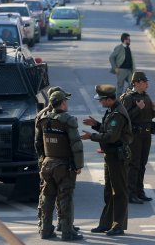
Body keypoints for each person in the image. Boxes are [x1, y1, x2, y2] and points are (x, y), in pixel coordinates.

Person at [81, 84, 133, 236]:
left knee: (119, 192)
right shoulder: (112, 110)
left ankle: (118, 225)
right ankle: (106, 223)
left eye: (102, 100)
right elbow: (107, 129)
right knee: (109, 192)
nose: (100, 103)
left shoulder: (118, 114)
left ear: (109, 99)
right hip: (111, 156)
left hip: (118, 157)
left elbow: (111, 136)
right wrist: (96, 125)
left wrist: (92, 136)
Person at [35, 90, 84, 241]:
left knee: (47, 198)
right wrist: (78, 165)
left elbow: (38, 143)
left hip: (47, 163)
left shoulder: (42, 119)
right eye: (66, 101)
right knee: (65, 198)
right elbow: (76, 145)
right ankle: (67, 231)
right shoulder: (68, 120)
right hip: (64, 165)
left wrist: (43, 159)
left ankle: (46, 230)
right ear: (62, 103)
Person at [120, 72, 155, 204]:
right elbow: (124, 117)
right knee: (134, 164)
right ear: (135, 83)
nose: (146, 84)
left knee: (142, 164)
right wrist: (138, 108)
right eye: (143, 81)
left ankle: (139, 191)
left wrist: (153, 109)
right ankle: (131, 193)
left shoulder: (145, 96)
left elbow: (149, 116)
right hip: (135, 135)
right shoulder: (129, 97)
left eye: (146, 81)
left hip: (146, 134)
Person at [109, 33, 136, 97]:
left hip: (129, 70)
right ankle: (118, 101)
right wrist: (115, 68)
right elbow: (111, 57)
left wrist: (133, 69)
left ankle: (127, 98)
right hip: (121, 70)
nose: (130, 40)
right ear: (124, 40)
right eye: (128, 39)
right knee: (120, 86)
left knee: (132, 84)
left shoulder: (128, 48)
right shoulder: (119, 48)